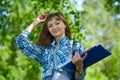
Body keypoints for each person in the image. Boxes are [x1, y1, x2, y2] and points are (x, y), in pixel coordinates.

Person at [15, 12, 87, 80]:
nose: (54, 27)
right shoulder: (45, 51)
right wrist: (36, 21)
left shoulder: (75, 46)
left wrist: (79, 66)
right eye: (50, 26)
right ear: (49, 30)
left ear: (64, 25)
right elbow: (21, 42)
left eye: (57, 23)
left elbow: (80, 78)